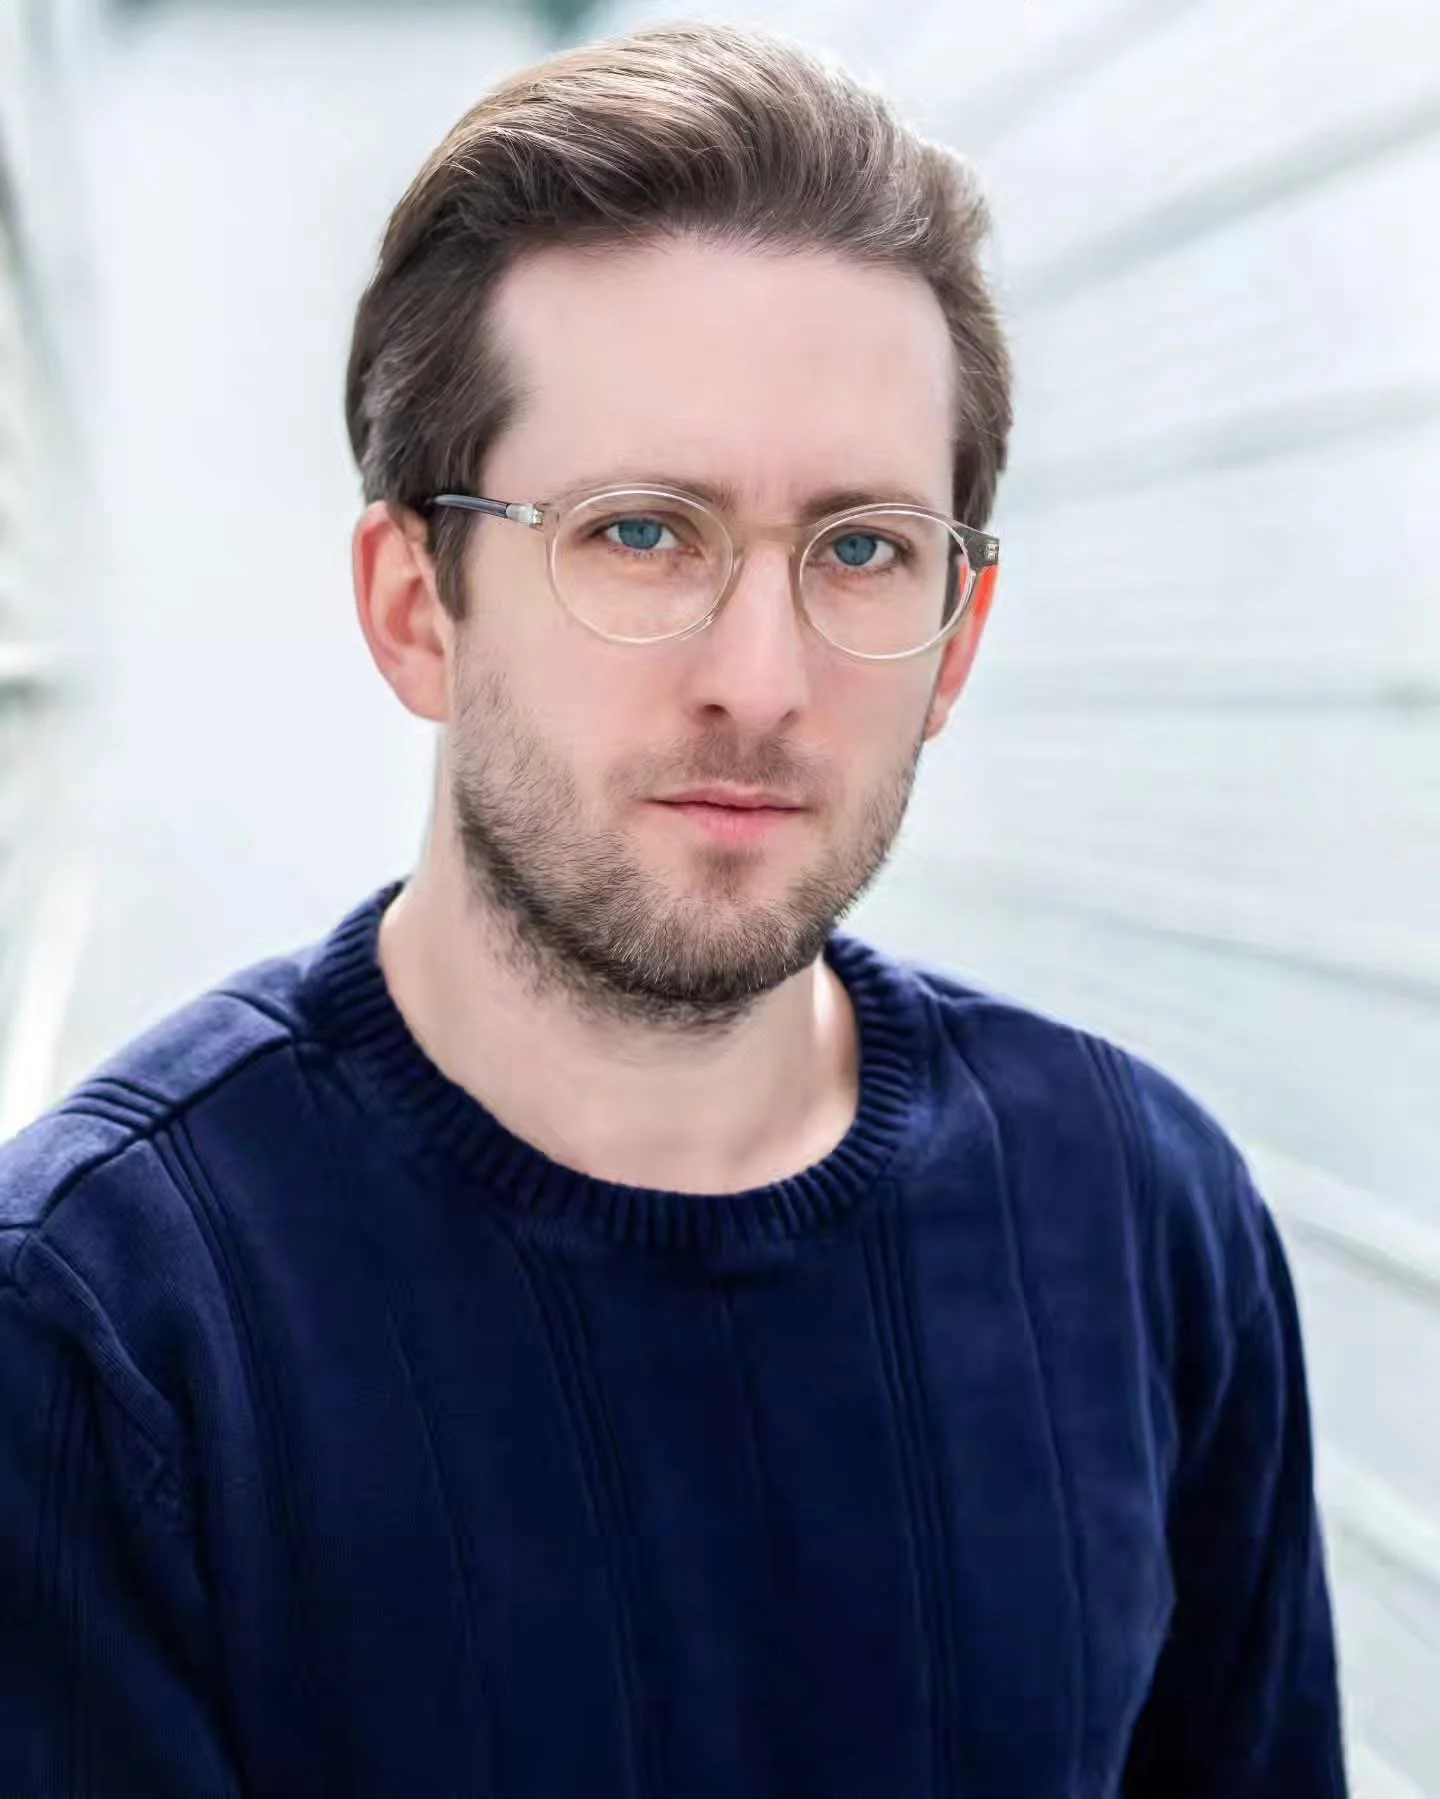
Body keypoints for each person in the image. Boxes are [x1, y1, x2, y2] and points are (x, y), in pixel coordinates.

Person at [0, 21, 1347, 1797]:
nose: (763, 679)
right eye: (643, 533)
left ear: (959, 641)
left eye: (864, 546)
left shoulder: (1140, 1213)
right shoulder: (106, 1324)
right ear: (417, 602)